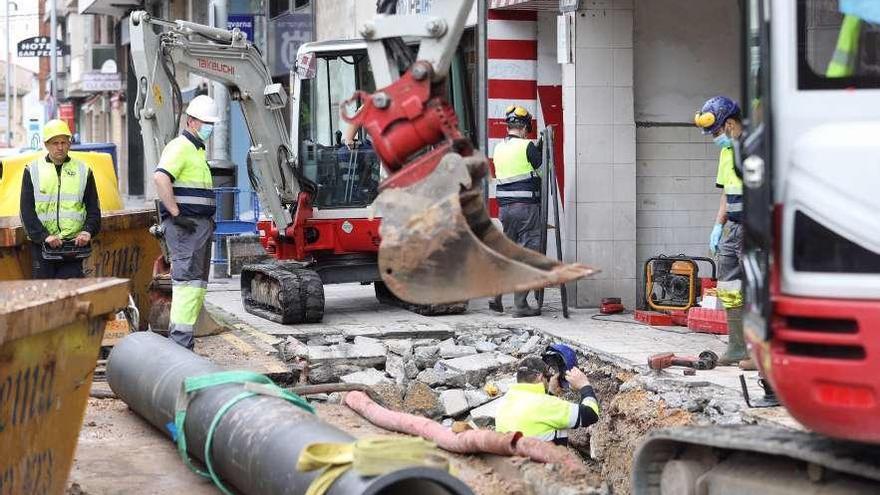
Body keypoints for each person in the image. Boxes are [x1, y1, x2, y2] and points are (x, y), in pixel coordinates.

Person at [154, 95, 219, 350]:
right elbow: (161, 178)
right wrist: (175, 212)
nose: (209, 128)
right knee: (186, 284)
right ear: (191, 121)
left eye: (212, 123)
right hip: (185, 227)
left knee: (196, 285)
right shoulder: (180, 147)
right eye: (206, 122)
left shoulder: (196, 150)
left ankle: (184, 340)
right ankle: (180, 343)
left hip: (198, 226)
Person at [695, 96, 750, 368]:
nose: (714, 138)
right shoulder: (727, 152)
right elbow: (726, 194)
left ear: (729, 124)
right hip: (733, 227)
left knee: (756, 286)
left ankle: (759, 351)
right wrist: (718, 225)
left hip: (755, 228)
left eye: (716, 132)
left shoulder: (755, 146)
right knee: (728, 286)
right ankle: (737, 346)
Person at [20, 119, 100, 278]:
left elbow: (93, 209)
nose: (60, 147)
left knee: (70, 297)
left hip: (73, 247)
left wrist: (87, 231)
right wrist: (44, 236)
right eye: (55, 143)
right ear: (46, 145)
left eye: (64, 142)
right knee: (46, 296)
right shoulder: (32, 170)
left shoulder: (83, 171)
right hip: (43, 247)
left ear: (69, 143)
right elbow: (26, 210)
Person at [490, 105, 544, 317]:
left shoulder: (498, 148)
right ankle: (521, 305)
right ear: (525, 127)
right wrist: (540, 151)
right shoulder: (528, 146)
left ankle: (495, 295)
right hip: (526, 209)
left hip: (505, 209)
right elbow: (542, 171)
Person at [495, 356, 600, 445]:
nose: (549, 381)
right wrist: (584, 385)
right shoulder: (545, 405)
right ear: (540, 377)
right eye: (548, 377)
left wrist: (551, 394)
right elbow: (590, 414)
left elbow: (540, 419)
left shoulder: (504, 402)